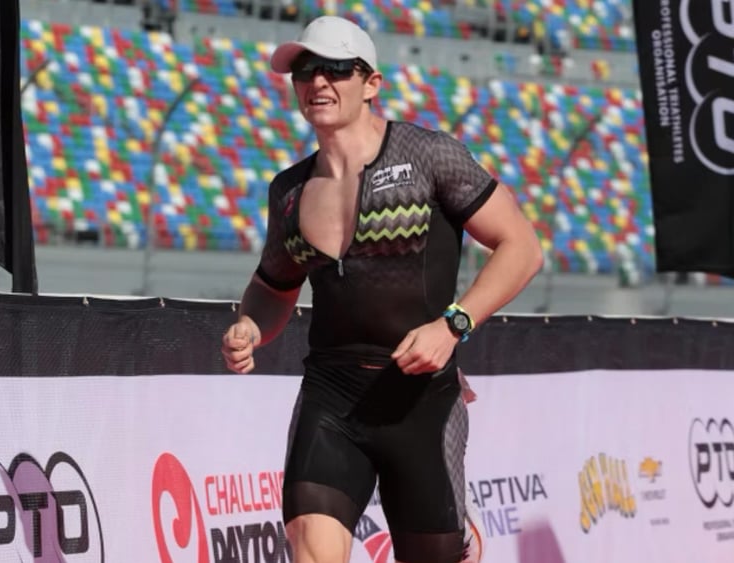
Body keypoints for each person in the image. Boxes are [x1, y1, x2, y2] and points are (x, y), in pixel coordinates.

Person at [222, 15, 542, 563]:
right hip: (332, 397)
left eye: (335, 69)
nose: (317, 82)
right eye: (305, 70)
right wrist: (250, 326)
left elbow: (522, 247)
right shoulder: (289, 190)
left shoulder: (429, 156)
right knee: (311, 545)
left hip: (421, 400)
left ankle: (460, 534)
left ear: (371, 83)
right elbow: (273, 286)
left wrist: (453, 325)